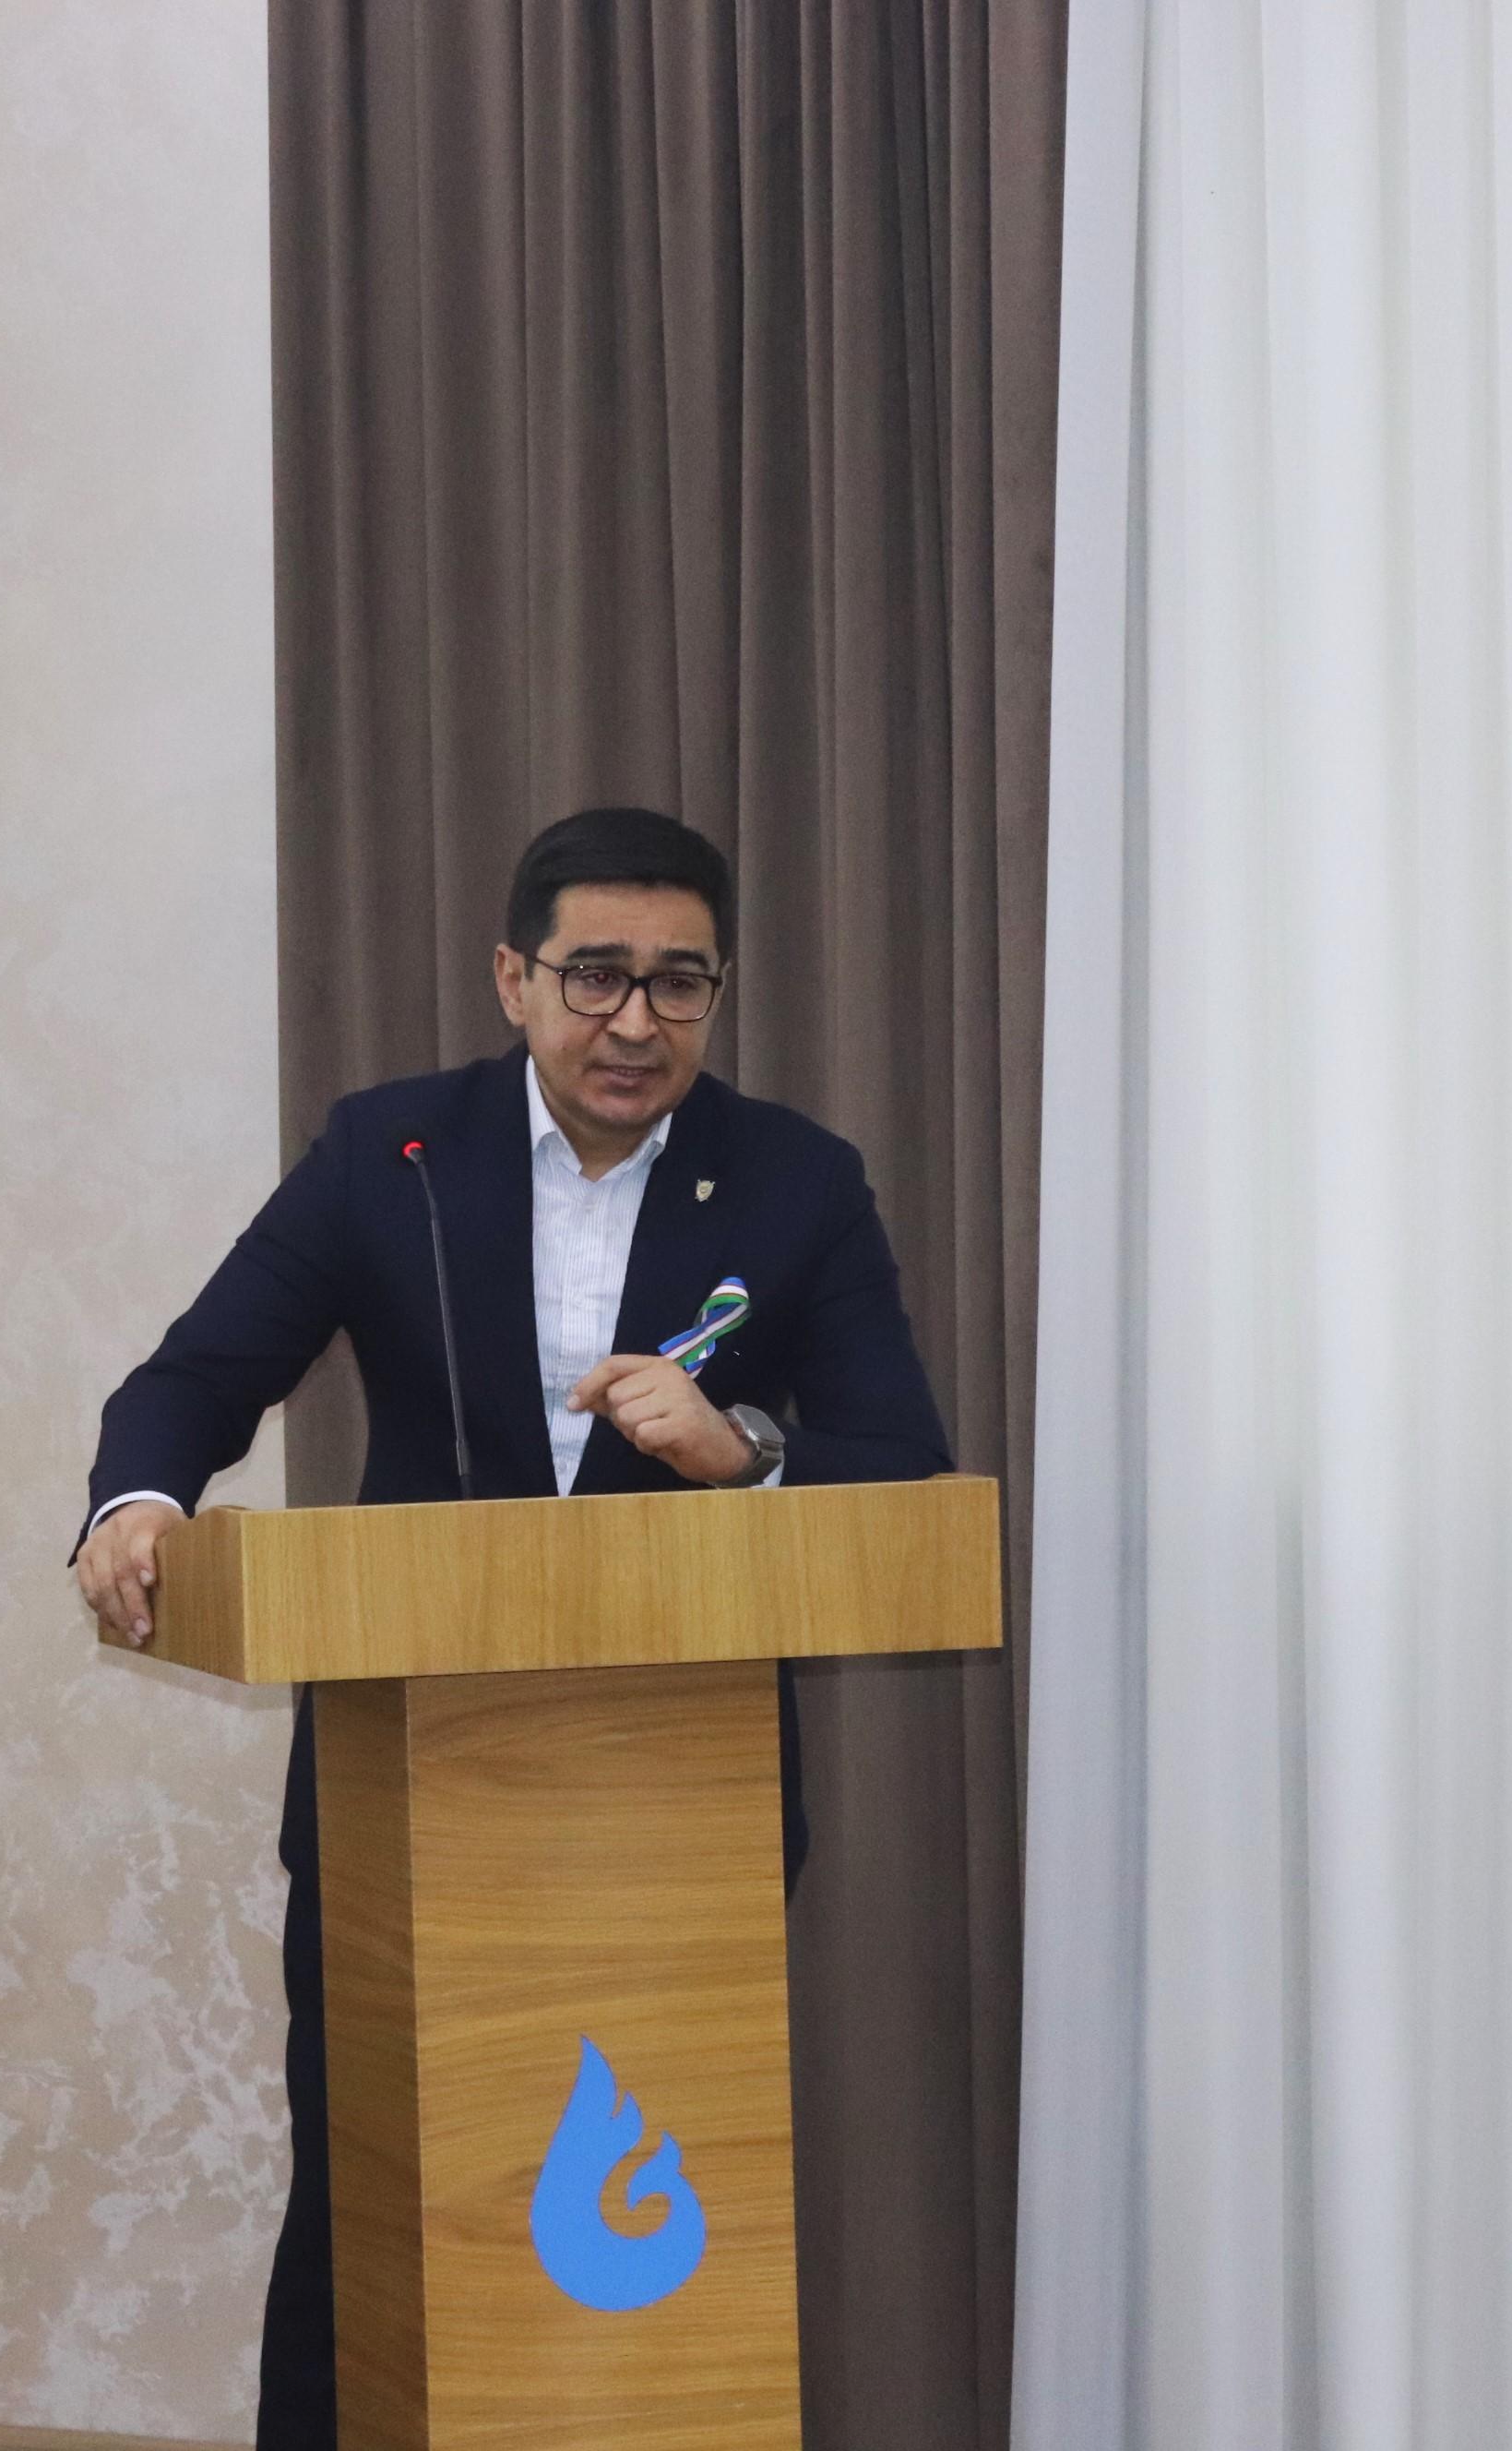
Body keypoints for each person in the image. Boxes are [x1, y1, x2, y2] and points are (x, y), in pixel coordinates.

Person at [72, 806, 952, 2449]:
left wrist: (745, 1452)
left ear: (718, 991)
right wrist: (137, 1502)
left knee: (661, 2198)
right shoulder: (391, 1155)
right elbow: (196, 1378)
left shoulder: (794, 1180)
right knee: (371, 2194)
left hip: (673, 1802)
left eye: (679, 982)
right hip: (408, 1788)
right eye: (595, 975)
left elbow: (903, 1466)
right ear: (513, 979)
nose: (636, 1021)